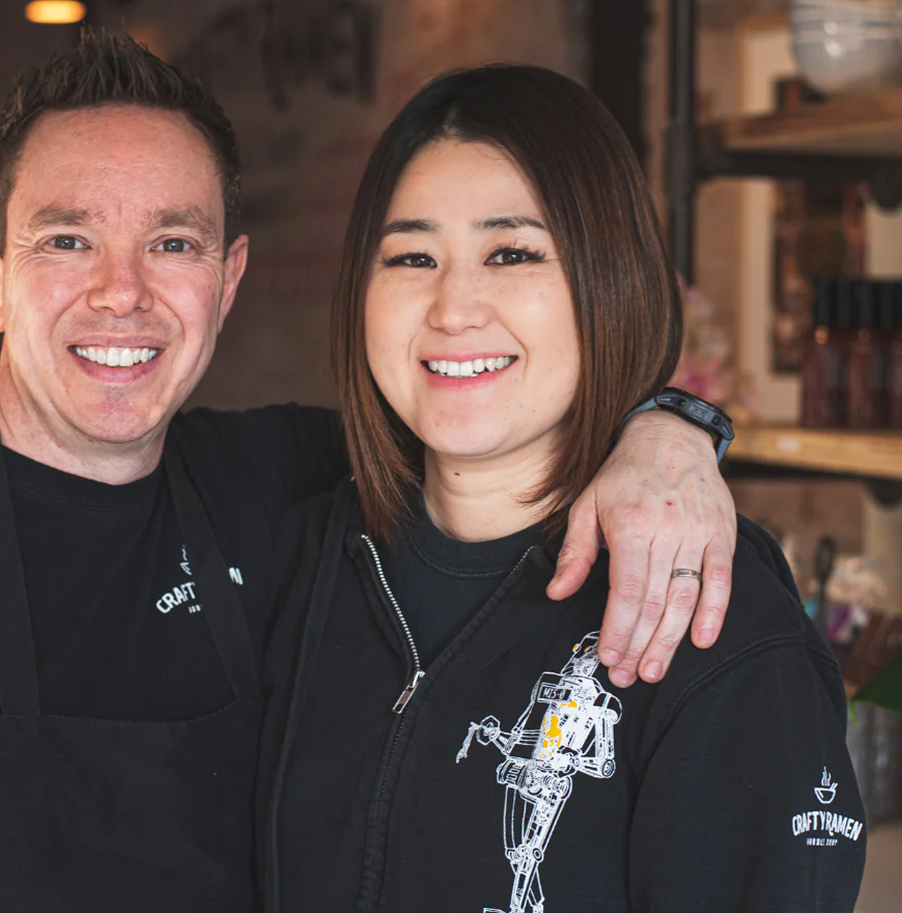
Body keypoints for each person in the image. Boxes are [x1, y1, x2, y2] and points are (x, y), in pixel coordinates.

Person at [0, 34, 736, 911]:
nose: (121, 293)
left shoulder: (292, 488)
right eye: (67, 240)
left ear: (227, 280)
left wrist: (670, 426)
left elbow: (496, 416)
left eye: (173, 243)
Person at [258, 64, 865, 912]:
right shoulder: (291, 559)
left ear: (608, 280)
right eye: (411, 256)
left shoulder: (701, 619)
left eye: (510, 254)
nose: (453, 307)